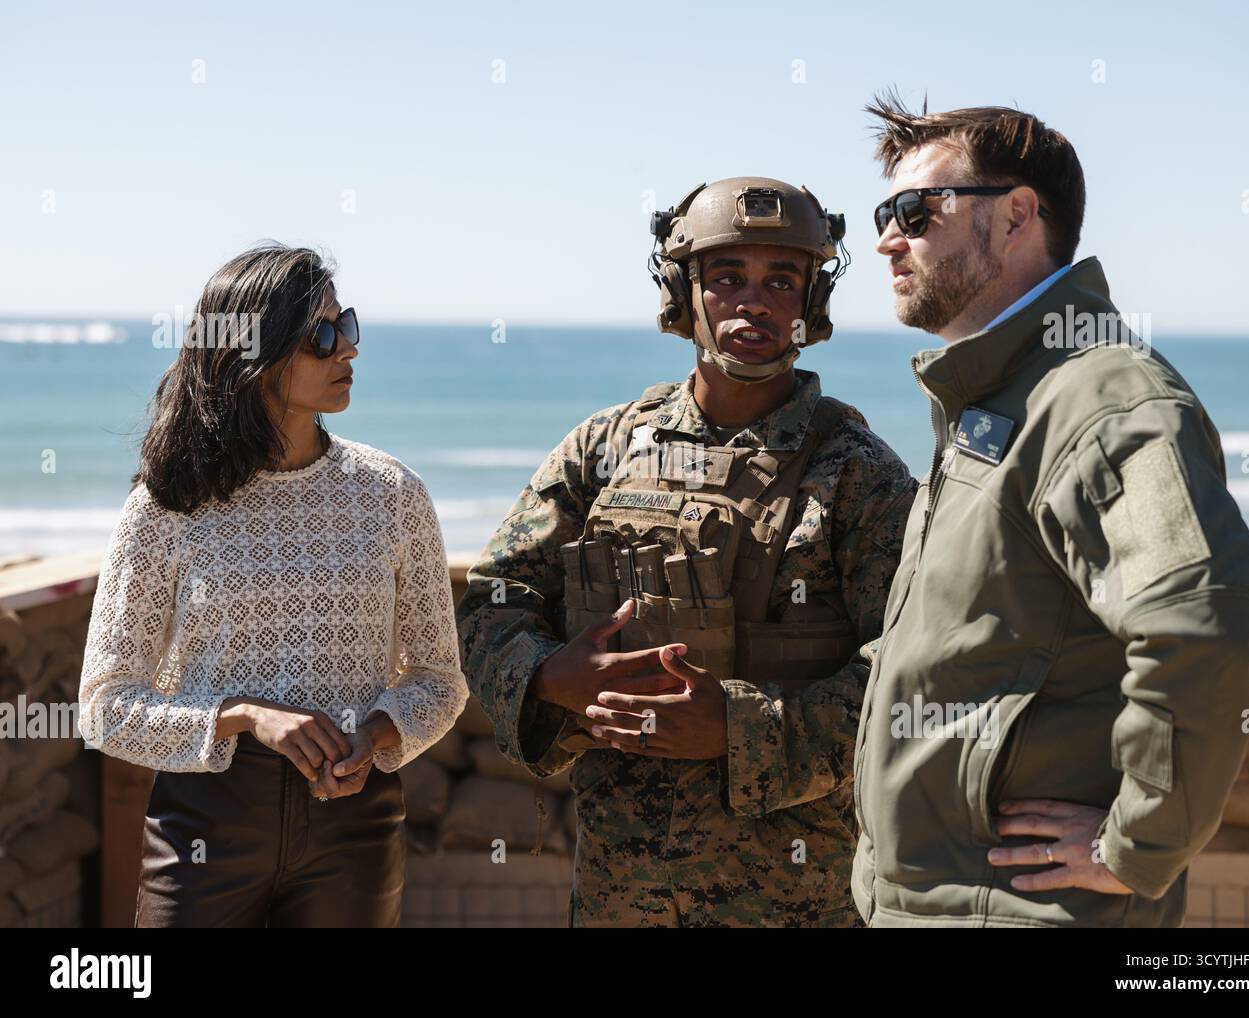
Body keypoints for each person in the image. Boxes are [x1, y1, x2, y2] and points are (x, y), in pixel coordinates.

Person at [851, 93, 1249, 927]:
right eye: (883, 212)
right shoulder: (1001, 393)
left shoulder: (1103, 398)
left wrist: (1137, 846)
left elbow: (1200, 628)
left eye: (915, 209)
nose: (887, 238)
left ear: (1014, 217)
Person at [457, 177, 916, 927]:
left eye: (782, 281)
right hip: (618, 901)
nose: (754, 303)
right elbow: (494, 599)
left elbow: (907, 683)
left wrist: (742, 730)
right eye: (727, 278)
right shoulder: (605, 449)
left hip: (794, 905)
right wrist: (547, 677)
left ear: (811, 305)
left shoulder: (859, 473)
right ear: (683, 292)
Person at [78, 243, 468, 927]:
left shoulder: (392, 494)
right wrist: (245, 716)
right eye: (322, 337)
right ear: (251, 359)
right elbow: (106, 708)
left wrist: (375, 734)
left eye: (346, 327)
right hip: (206, 830)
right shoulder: (168, 506)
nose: (347, 350)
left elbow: (440, 680)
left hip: (355, 832)